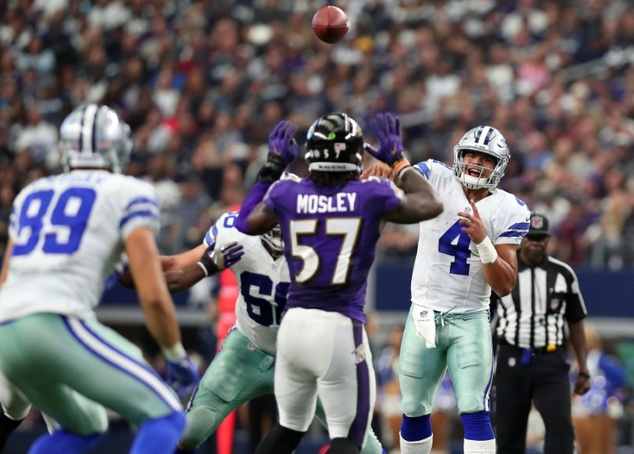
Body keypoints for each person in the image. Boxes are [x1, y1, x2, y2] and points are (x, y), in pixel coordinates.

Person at [235, 112, 444, 454]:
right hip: (338, 328)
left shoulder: (287, 191)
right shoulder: (370, 193)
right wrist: (398, 161)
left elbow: (245, 222)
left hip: (293, 326)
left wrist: (272, 166)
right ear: (356, 154)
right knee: (349, 438)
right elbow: (431, 203)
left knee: (287, 429)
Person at [0, 104, 199, 454]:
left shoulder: (32, 192)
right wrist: (176, 355)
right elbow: (152, 294)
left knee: (84, 427)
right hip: (53, 321)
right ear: (118, 148)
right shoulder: (129, 191)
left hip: (6, 329)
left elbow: (6, 278)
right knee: (167, 415)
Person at [364, 125, 531, 454]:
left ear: (498, 165)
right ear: (458, 155)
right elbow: (406, 177)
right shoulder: (438, 177)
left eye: (484, 158)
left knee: (473, 406)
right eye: (470, 154)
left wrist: (483, 241)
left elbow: (505, 285)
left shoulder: (509, 209)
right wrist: (390, 168)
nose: (475, 162)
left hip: (469, 319)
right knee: (412, 406)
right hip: (424, 312)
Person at [490, 212, 591, 454]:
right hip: (511, 357)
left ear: (548, 240)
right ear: (522, 239)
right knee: (508, 431)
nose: (536, 244)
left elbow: (576, 322)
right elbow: (484, 319)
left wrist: (583, 368)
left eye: (541, 238)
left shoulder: (563, 274)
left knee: (561, 431)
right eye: (531, 238)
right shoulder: (504, 271)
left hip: (551, 360)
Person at [572, 323, 628, 454]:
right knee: (581, 447)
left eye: (586, 339)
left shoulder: (605, 361)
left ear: (593, 340)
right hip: (579, 410)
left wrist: (609, 398)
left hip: (601, 410)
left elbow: (620, 381)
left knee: (600, 448)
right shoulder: (573, 363)